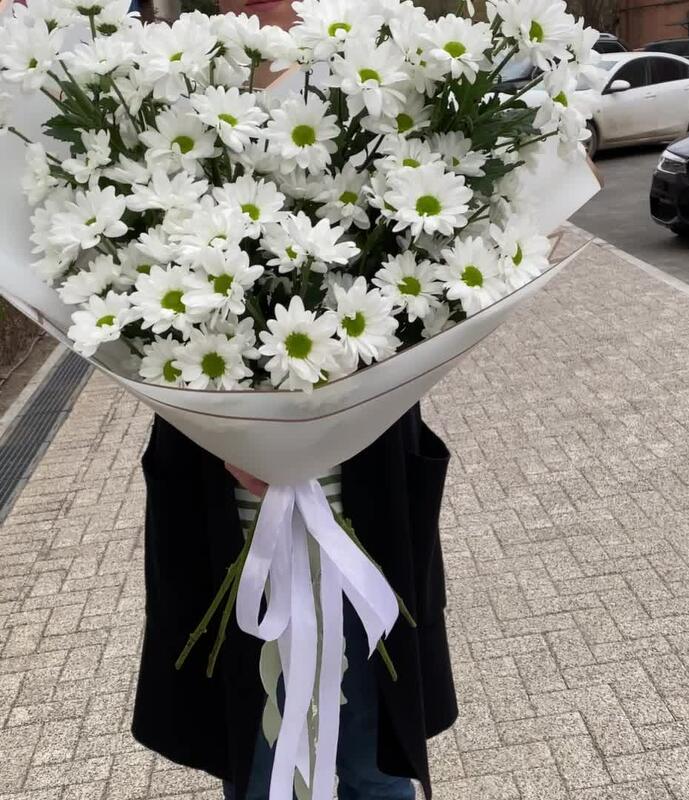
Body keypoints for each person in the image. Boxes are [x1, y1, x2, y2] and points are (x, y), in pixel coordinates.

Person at [131, 4, 458, 798]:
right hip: (225, 496)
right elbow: (140, 290)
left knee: (373, 753)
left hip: (363, 492)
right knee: (252, 744)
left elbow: (421, 273)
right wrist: (230, 433)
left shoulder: (375, 61)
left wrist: (330, 429)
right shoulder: (162, 83)